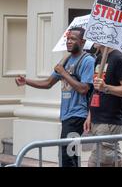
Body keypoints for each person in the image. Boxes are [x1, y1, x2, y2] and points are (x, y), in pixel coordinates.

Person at [15, 27, 94, 167]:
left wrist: (63, 73)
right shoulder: (65, 61)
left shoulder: (87, 61)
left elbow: (84, 89)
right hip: (66, 115)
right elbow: (47, 83)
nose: (69, 42)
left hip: (77, 115)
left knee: (67, 155)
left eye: (73, 39)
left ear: (82, 42)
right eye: (67, 39)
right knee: (71, 154)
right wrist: (26, 81)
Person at [83, 45, 122, 167]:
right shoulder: (100, 58)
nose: (94, 35)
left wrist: (106, 87)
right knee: (112, 156)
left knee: (97, 161)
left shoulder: (119, 58)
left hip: (110, 118)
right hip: (98, 117)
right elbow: (96, 90)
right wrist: (90, 115)